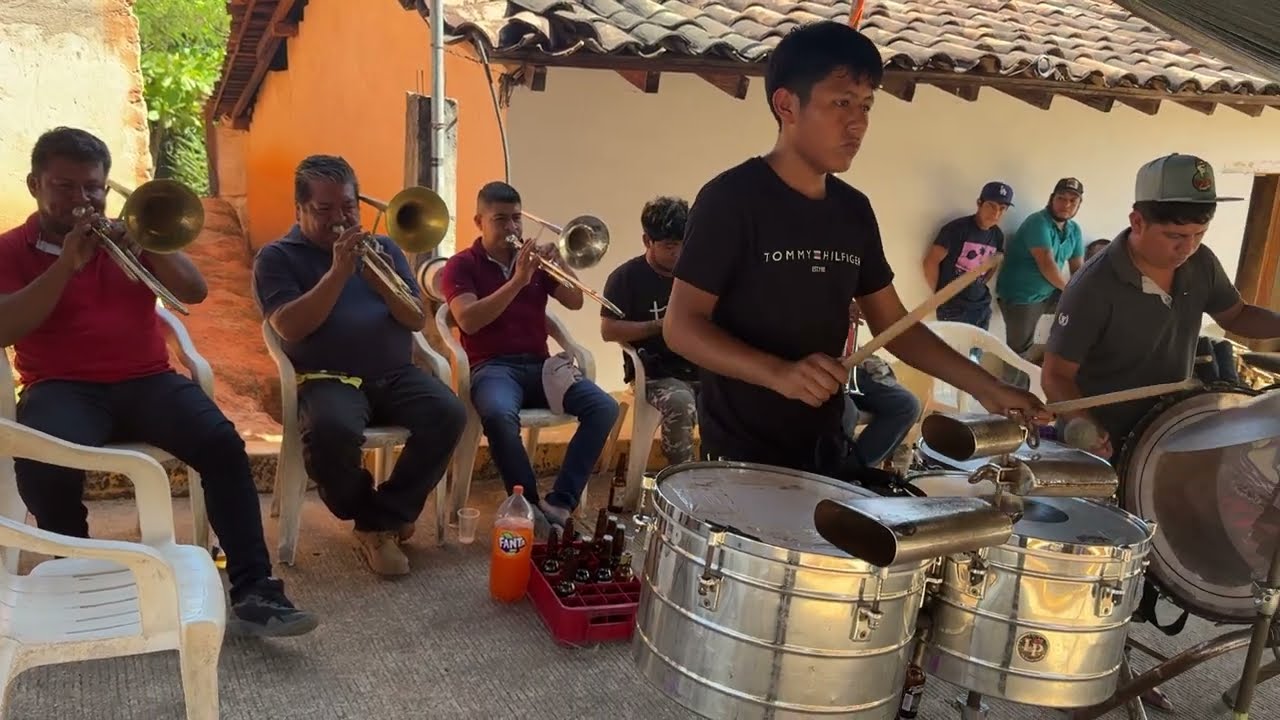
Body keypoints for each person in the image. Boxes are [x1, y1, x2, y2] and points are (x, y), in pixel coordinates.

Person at [663, 22, 1048, 477]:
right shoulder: (732, 199)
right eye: (841, 103)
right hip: (740, 458)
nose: (858, 123)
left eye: (866, 106)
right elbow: (682, 326)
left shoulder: (853, 211)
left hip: (825, 446)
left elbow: (896, 327)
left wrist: (988, 388)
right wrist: (779, 374)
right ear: (786, 105)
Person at [0, 127, 317, 636]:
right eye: (64, 186)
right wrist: (65, 267)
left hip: (147, 380)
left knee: (222, 445)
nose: (81, 200)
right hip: (61, 385)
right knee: (44, 464)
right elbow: (5, 328)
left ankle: (255, 590)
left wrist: (151, 245)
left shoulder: (131, 238)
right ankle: (82, 572)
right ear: (35, 184)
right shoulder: (11, 249)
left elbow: (193, 291)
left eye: (93, 187)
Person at [252, 155, 466, 577]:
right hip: (326, 378)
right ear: (299, 209)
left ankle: (381, 519)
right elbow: (289, 327)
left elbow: (415, 319)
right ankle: (374, 518)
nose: (340, 218)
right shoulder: (277, 257)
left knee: (449, 412)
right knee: (332, 432)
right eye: (325, 209)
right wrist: (337, 273)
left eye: (349, 207)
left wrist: (380, 283)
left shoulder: (384, 247)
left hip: (394, 374)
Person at [1044, 153, 1280, 460]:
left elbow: (1237, 315)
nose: (1188, 247)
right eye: (1175, 236)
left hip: (1174, 429)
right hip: (1111, 440)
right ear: (1138, 222)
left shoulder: (1201, 262)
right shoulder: (1093, 286)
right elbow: (1055, 375)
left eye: (1199, 234)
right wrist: (1083, 426)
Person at [439, 181, 619, 530]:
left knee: (605, 408)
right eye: (501, 219)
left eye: (517, 219)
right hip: (493, 368)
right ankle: (529, 505)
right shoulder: (461, 265)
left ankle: (560, 503)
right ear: (479, 221)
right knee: (497, 414)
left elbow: (575, 300)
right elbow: (468, 321)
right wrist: (518, 281)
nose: (512, 228)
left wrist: (561, 265)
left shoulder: (534, 262)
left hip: (541, 366)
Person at [601, 196, 700, 466]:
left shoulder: (698, 272)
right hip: (656, 375)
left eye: (683, 244)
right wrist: (657, 326)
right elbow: (609, 330)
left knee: (742, 395)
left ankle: (725, 474)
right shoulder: (626, 278)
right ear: (647, 241)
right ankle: (683, 479)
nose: (678, 253)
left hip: (701, 369)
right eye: (670, 246)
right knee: (679, 402)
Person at [995, 177, 1087, 358]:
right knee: (1018, 352)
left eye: (1073, 201)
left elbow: (1078, 268)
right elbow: (1047, 265)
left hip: (1050, 292)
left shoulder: (1074, 229)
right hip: (1023, 296)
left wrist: (1083, 294)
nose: (1066, 204)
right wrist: (1072, 292)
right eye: (1061, 198)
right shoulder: (1037, 222)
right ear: (1052, 198)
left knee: (1087, 309)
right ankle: (1013, 385)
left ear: (1079, 204)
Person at [923, 181, 1012, 330]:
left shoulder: (997, 235)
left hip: (981, 305)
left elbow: (993, 263)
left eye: (1002, 209)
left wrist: (981, 283)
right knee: (952, 352)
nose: (996, 213)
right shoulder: (957, 229)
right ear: (979, 203)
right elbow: (930, 262)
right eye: (991, 206)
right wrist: (941, 296)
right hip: (954, 308)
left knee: (977, 351)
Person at [842, 301, 921, 467]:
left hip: (847, 364)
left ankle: (854, 471)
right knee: (845, 412)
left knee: (907, 405)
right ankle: (825, 475)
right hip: (807, 363)